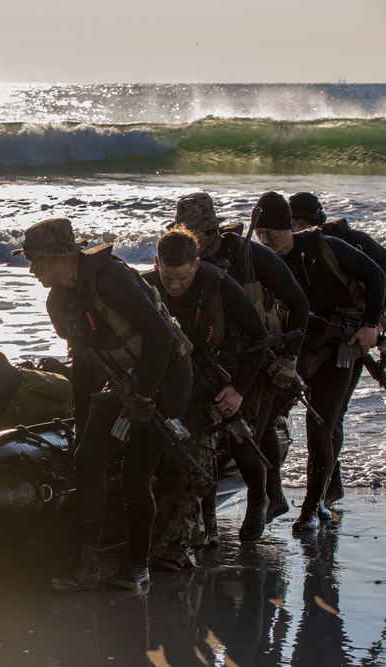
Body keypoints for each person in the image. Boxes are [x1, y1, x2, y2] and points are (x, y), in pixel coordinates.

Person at [15, 217, 192, 591]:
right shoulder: (60, 299)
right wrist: (82, 424)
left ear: (56, 258)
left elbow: (161, 338)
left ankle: (137, 566)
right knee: (88, 458)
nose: (31, 270)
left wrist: (144, 397)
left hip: (166, 378)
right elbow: (83, 361)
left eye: (35, 261)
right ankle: (88, 566)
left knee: (135, 476)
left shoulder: (112, 279)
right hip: (124, 383)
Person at [171, 191, 310, 529]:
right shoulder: (187, 264)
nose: (189, 244)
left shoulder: (250, 254)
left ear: (211, 231)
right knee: (204, 437)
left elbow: (299, 304)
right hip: (210, 361)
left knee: (244, 436)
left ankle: (262, 500)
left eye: (194, 236)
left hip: (257, 359)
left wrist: (290, 360)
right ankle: (208, 520)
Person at [253, 191, 386, 531]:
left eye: (274, 234)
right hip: (299, 347)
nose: (267, 241)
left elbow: (379, 276)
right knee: (263, 414)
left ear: (289, 228)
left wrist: (372, 322)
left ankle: (313, 507)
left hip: (343, 345)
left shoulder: (321, 246)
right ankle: (273, 492)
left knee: (322, 425)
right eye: (261, 235)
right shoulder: (261, 258)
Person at [145, 228, 269, 565]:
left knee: (189, 456)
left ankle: (182, 538)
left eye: (181, 279)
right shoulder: (145, 285)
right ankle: (197, 527)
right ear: (156, 262)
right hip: (163, 378)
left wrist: (239, 390)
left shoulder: (217, 284)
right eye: (167, 277)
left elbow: (260, 338)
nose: (173, 286)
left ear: (196, 264)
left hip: (212, 379)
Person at [289, 192, 386, 507]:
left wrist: (378, 318)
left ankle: (329, 486)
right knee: (320, 414)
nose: (296, 231)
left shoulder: (350, 242)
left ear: (316, 223)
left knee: (332, 415)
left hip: (350, 338)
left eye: (300, 224)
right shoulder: (294, 252)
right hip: (315, 338)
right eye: (292, 224)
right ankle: (331, 481)